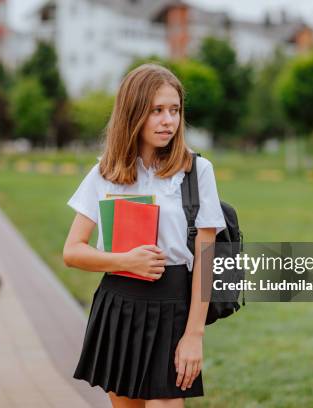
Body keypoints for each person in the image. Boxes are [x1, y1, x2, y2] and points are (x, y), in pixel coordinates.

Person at [63, 63, 226, 408]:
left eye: (174, 110)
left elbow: (206, 259)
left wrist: (194, 335)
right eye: (156, 111)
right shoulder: (105, 171)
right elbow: (73, 251)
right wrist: (124, 260)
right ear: (133, 112)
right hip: (118, 306)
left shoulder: (197, 171)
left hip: (174, 307)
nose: (168, 120)